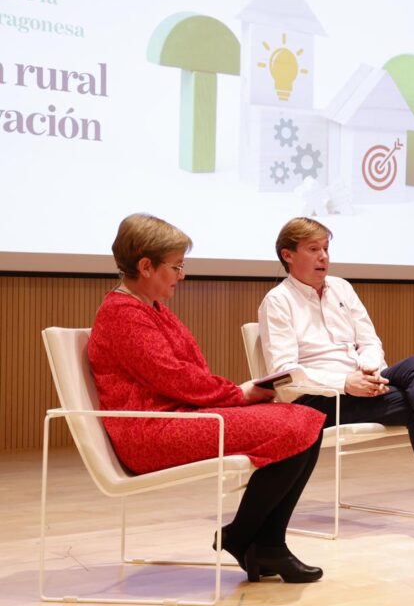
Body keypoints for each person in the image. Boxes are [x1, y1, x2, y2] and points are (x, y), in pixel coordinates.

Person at [88, 214, 325, 583]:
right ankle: (250, 538)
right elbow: (174, 376)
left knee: (305, 421)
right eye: (176, 266)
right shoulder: (123, 315)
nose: (181, 275)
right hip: (152, 432)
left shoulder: (148, 308)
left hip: (180, 416)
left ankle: (265, 543)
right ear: (146, 266)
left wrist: (237, 394)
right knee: (299, 421)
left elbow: (185, 374)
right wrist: (238, 394)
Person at [258, 217, 414, 542]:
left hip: (359, 386)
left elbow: (369, 341)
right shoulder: (278, 301)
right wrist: (346, 382)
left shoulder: (341, 288)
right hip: (315, 400)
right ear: (288, 255)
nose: (324, 257)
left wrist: (370, 368)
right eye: (314, 249)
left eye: (327, 249)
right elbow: (285, 373)